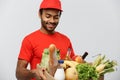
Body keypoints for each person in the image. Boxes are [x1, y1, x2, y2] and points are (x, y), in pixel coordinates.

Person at [15, 0, 75, 80]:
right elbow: (19, 73)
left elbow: (73, 66)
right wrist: (33, 73)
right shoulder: (29, 40)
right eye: (48, 16)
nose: (52, 21)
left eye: (56, 17)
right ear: (40, 14)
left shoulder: (66, 40)